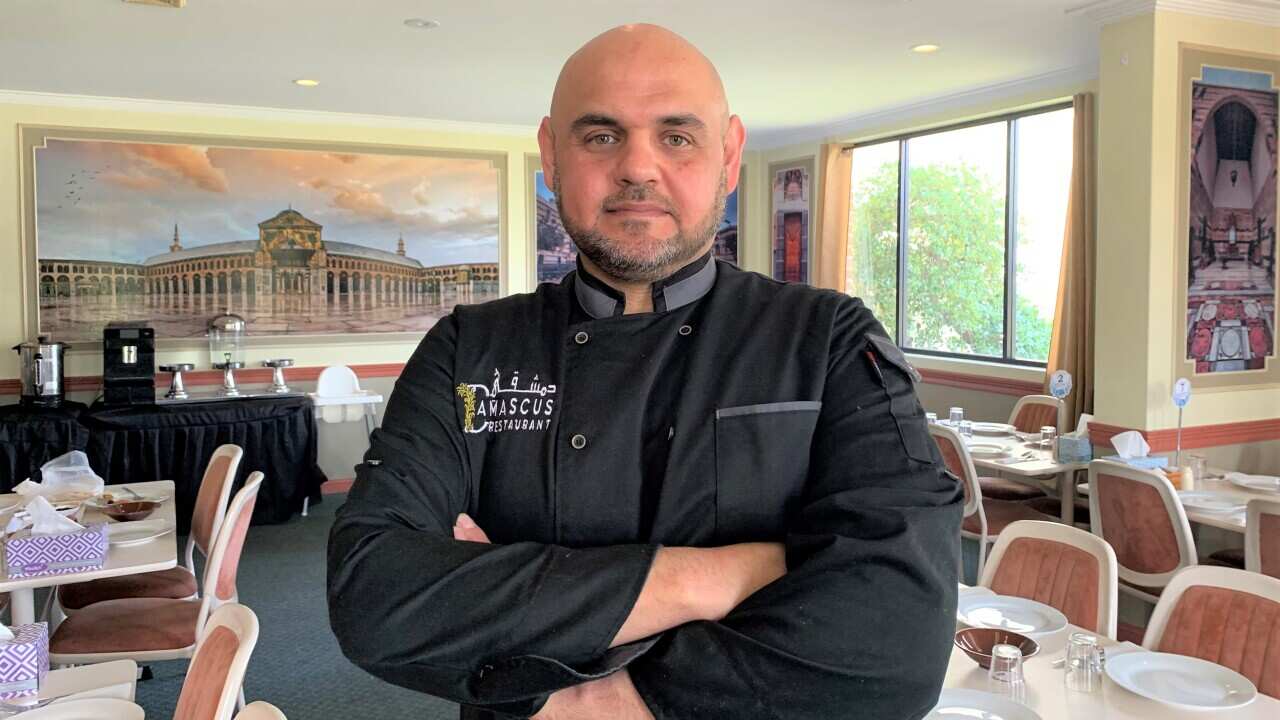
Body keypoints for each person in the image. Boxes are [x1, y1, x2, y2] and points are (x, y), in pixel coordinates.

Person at [328, 23, 961, 720]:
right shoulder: (467, 346)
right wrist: (715, 578)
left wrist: (587, 696)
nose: (637, 167)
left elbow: (897, 637)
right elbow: (374, 595)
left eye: (677, 137)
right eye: (601, 136)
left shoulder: (829, 339)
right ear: (551, 155)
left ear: (729, 156)